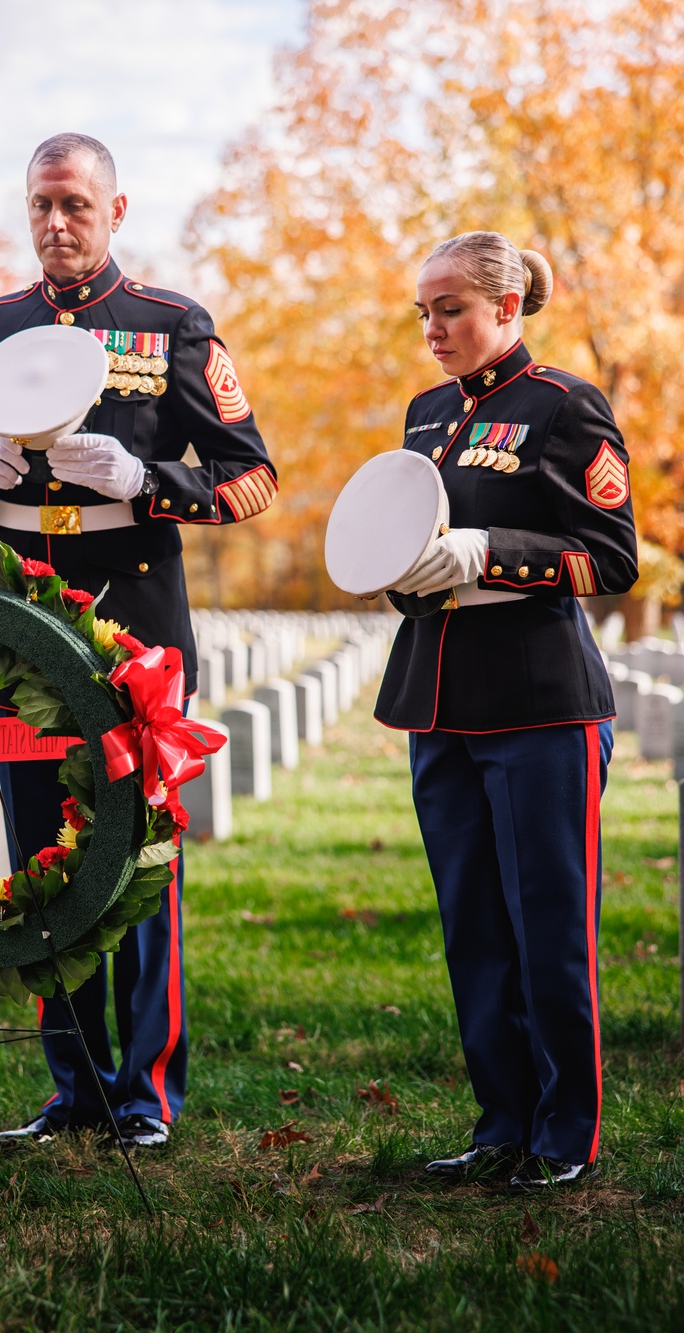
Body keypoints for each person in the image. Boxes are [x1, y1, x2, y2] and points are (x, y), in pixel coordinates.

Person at [0, 132, 277, 1149]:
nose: (56, 223)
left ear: (115, 211)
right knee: (43, 857)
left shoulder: (171, 324)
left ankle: (147, 1093)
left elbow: (252, 477)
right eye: (41, 204)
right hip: (25, 627)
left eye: (76, 204)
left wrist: (146, 482)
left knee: (140, 864)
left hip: (136, 626)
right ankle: (72, 1086)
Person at [374, 231, 638, 1190]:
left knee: (548, 928)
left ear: (507, 306)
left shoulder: (565, 405)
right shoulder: (426, 414)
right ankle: (502, 1123)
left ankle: (566, 1133)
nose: (434, 328)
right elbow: (409, 544)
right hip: (441, 698)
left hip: (538, 704)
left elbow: (611, 557)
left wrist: (491, 551)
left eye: (451, 309)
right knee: (474, 929)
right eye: (425, 312)